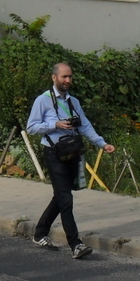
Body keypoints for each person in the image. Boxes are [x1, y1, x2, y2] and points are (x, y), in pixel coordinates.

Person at [26, 62, 116, 258]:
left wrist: (102, 144)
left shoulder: (73, 102)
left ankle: (40, 232)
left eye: (70, 77)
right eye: (64, 77)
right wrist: (54, 124)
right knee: (66, 198)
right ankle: (75, 244)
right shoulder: (43, 100)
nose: (67, 80)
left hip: (72, 152)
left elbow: (84, 125)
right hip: (53, 152)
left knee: (61, 196)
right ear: (54, 78)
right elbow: (32, 127)